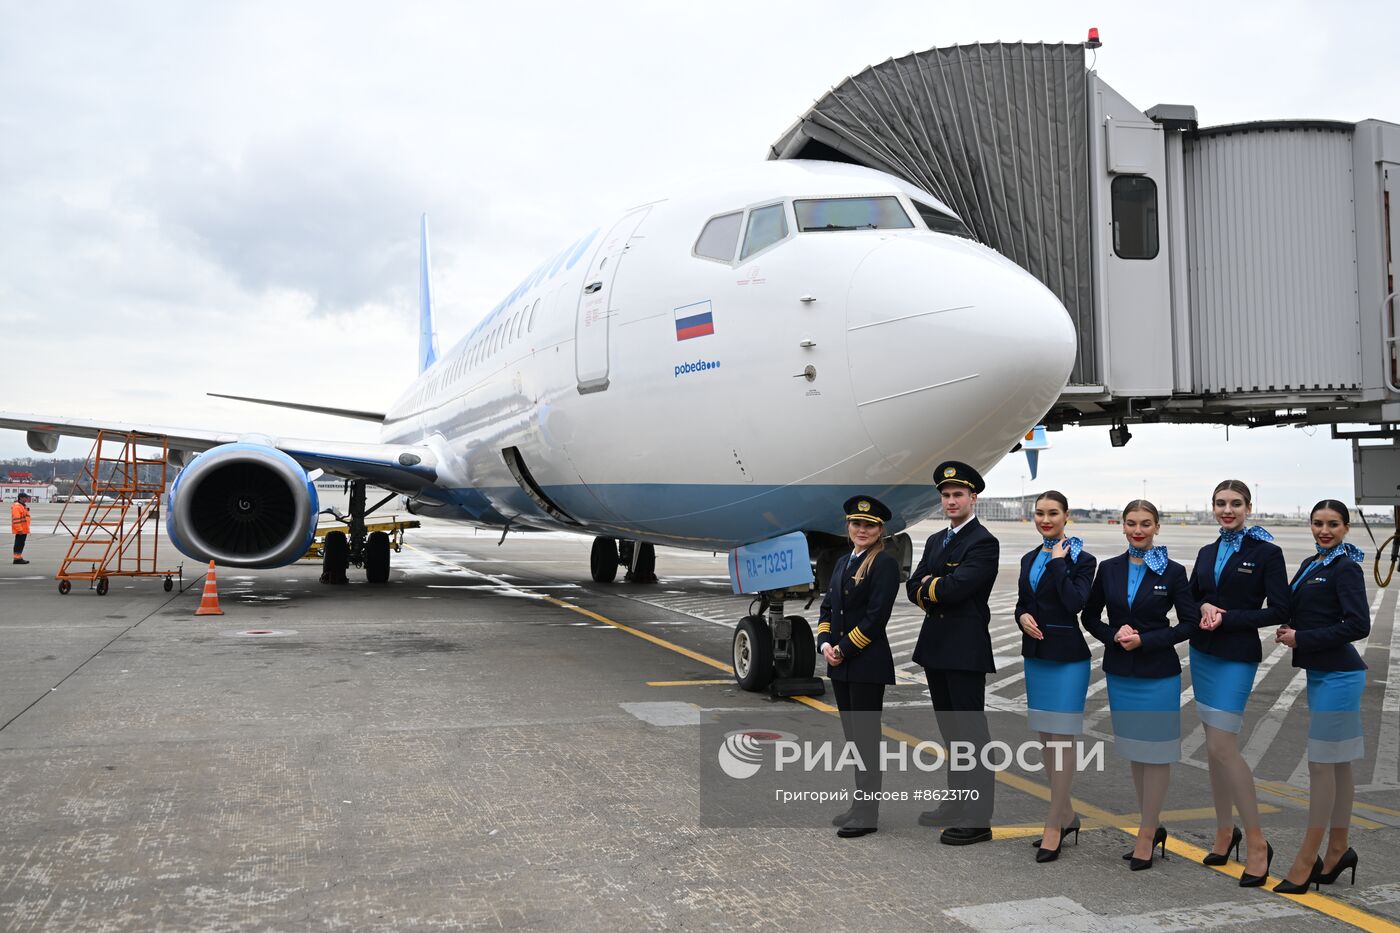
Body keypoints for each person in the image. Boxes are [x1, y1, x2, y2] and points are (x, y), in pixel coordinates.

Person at [1081, 499, 1199, 870]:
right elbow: (1089, 616)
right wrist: (1114, 634)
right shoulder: (1110, 568)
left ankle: (1147, 832)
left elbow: (1189, 623)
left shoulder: (1174, 572)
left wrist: (1147, 640)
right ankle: (1151, 823)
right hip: (1120, 671)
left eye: (1146, 524)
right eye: (1131, 523)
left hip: (1158, 673)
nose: (1138, 530)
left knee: (1157, 753)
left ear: (1157, 527)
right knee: (1135, 751)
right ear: (1122, 526)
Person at [1188, 479, 1288, 886]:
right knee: (1214, 753)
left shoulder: (1267, 553)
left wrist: (1229, 615)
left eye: (1235, 504)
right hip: (1203, 654)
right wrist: (1204, 606)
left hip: (1236, 658)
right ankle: (1225, 832)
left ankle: (1259, 842)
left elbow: (1280, 608)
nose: (1227, 510)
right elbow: (1190, 599)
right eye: (1220, 503)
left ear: (1248, 507)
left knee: (1221, 747)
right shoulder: (1207, 551)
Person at [1273, 500, 1369, 894]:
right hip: (1324, 674)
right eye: (1318, 523)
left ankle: (1307, 858)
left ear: (1346, 528)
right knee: (1338, 765)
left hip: (1340, 676)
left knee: (1319, 766)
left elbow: (1358, 624)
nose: (1324, 530)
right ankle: (1338, 848)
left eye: (1332, 524)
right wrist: (1288, 626)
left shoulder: (1346, 567)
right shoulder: (1314, 563)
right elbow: (1309, 611)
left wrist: (1303, 638)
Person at [906, 460, 999, 845]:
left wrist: (934, 583)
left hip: (964, 649)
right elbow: (913, 585)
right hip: (937, 647)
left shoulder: (984, 542)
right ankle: (955, 802)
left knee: (972, 733)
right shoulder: (934, 541)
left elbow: (958, 588)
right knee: (950, 732)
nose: (951, 501)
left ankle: (978, 817)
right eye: (945, 496)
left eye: (958, 494)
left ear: (973, 498)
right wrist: (934, 584)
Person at [1016, 491, 1097, 863]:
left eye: (1052, 514)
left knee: (1062, 741)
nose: (1045, 520)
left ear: (1067, 517)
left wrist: (1060, 562)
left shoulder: (1083, 559)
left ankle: (1053, 823)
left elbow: (1075, 603)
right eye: (1039, 514)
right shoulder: (1029, 558)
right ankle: (1066, 814)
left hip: (1067, 660)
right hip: (1036, 657)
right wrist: (1021, 617)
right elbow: (1023, 602)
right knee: (1047, 742)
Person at [818, 495, 901, 838]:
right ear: (848, 526)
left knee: (866, 740)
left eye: (869, 525)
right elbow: (827, 608)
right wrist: (824, 644)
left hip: (866, 664)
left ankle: (868, 813)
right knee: (854, 739)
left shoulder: (883, 564)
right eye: (856, 524)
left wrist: (843, 647)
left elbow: (876, 618)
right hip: (840, 663)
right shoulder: (842, 562)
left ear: (880, 529)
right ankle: (859, 803)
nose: (862, 529)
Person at [11, 491, 31, 565]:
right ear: (21, 498)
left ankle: (18, 557)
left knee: (21, 543)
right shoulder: (17, 507)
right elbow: (16, 520)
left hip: (24, 529)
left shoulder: (22, 506)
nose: (27, 499)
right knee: (19, 544)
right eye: (25, 497)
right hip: (21, 530)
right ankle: (17, 558)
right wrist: (19, 530)